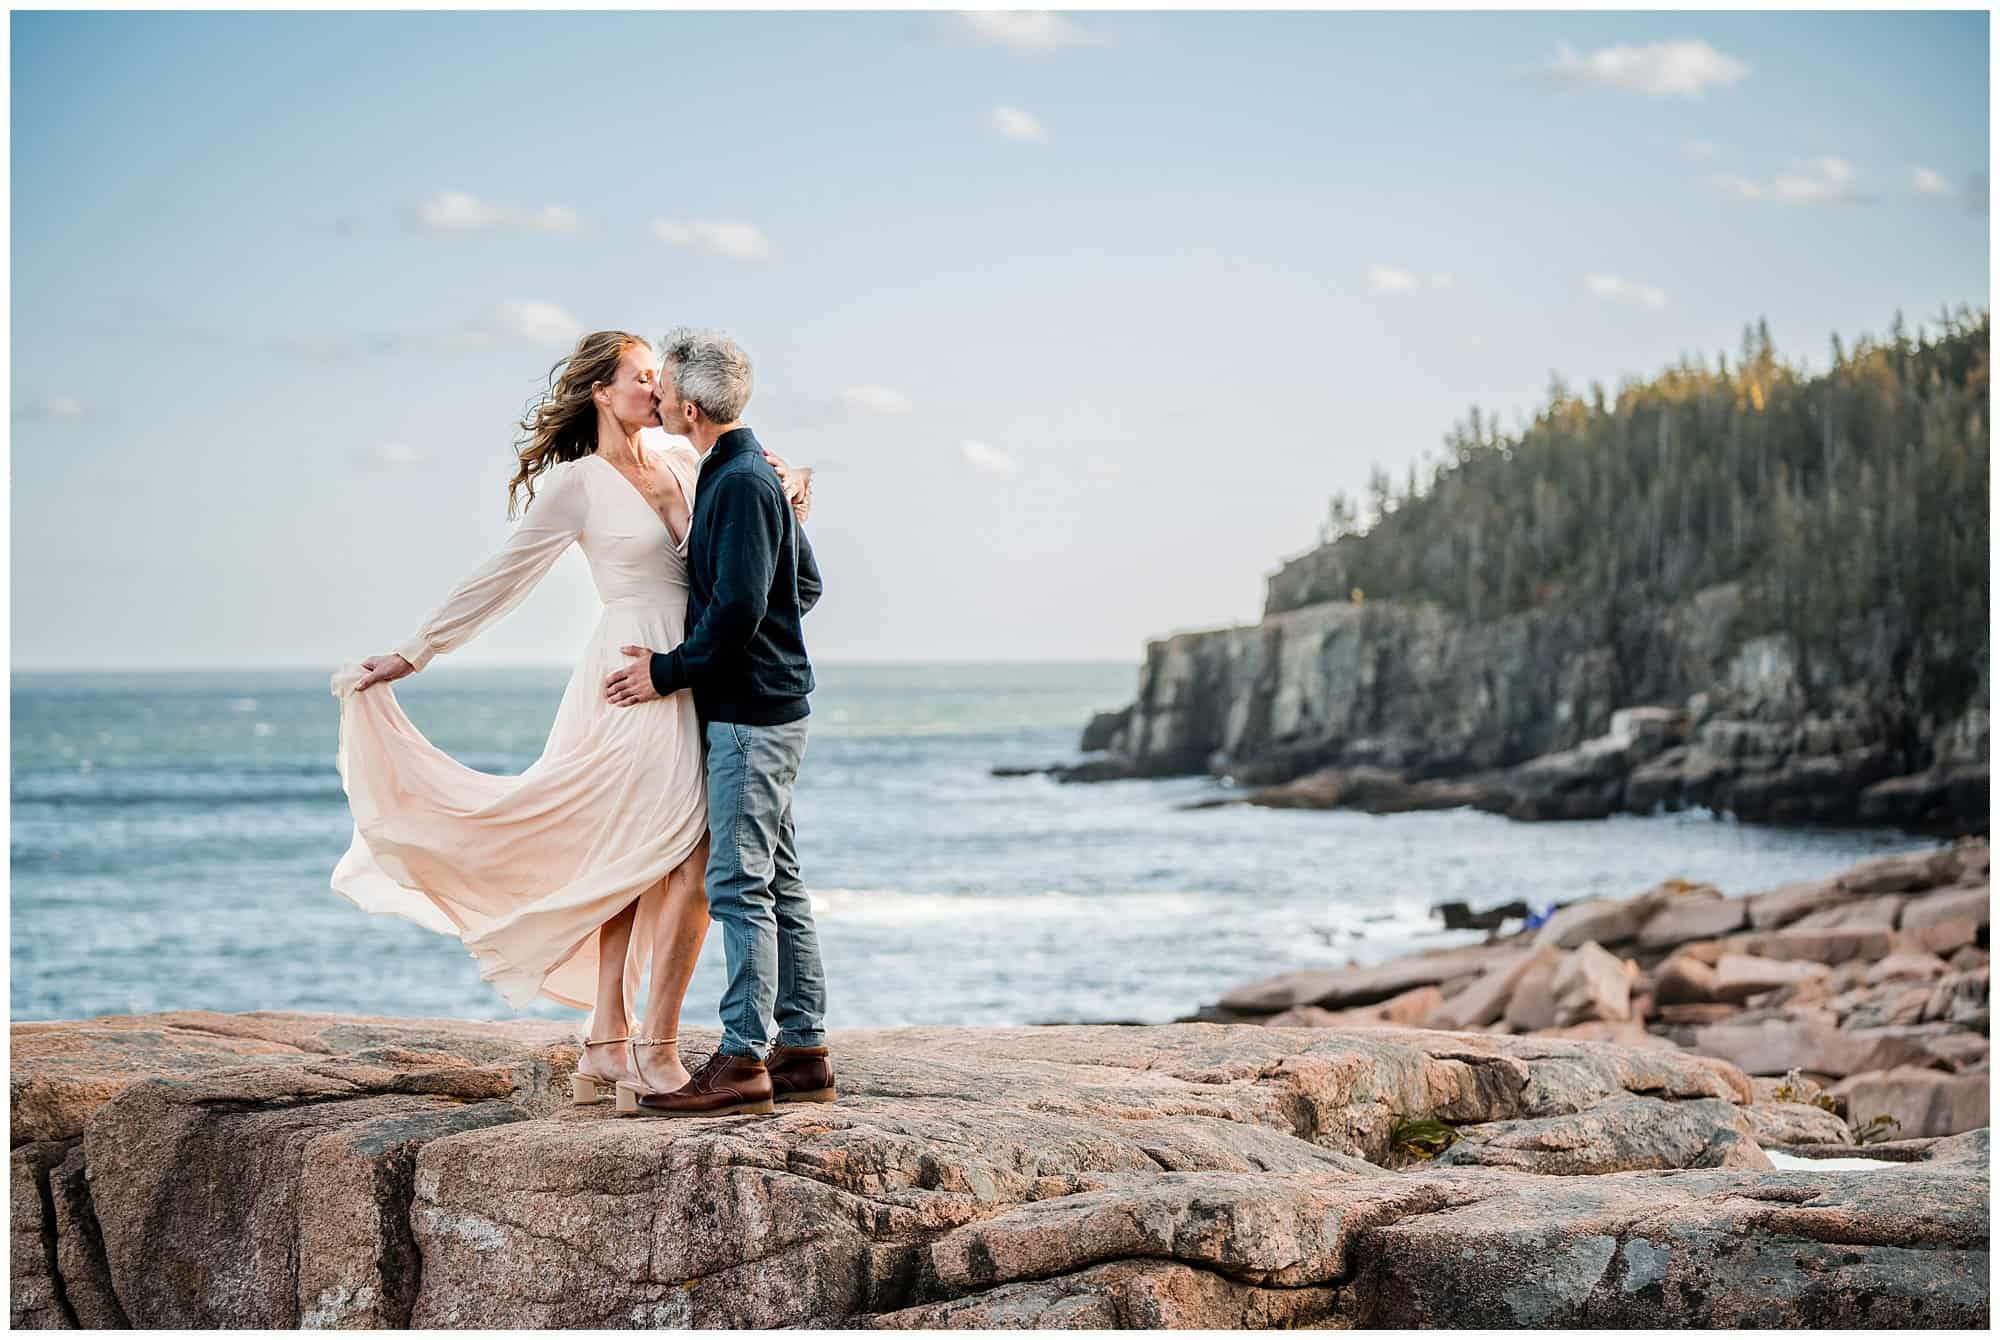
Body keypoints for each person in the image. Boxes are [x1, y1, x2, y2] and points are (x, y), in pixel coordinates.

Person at [329, 329, 809, 1106]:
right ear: (601, 392)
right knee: (643, 857)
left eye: (661, 376)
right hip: (626, 675)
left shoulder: (689, 461)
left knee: (674, 859)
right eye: (641, 376)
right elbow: (505, 574)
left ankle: (615, 1044)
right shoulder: (578, 484)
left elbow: (752, 526)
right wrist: (416, 652)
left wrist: (795, 488)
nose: (657, 389)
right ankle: (638, 1047)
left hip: (689, 672)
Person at [602, 327, 832, 1118]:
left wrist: (664, 671)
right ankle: (801, 1049)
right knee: (780, 879)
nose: (656, 395)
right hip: (776, 708)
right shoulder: (748, 474)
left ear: (690, 406)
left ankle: (741, 1060)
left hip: (745, 717)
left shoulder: (736, 483)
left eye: (662, 387)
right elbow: (803, 587)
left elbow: (739, 608)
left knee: (738, 885)